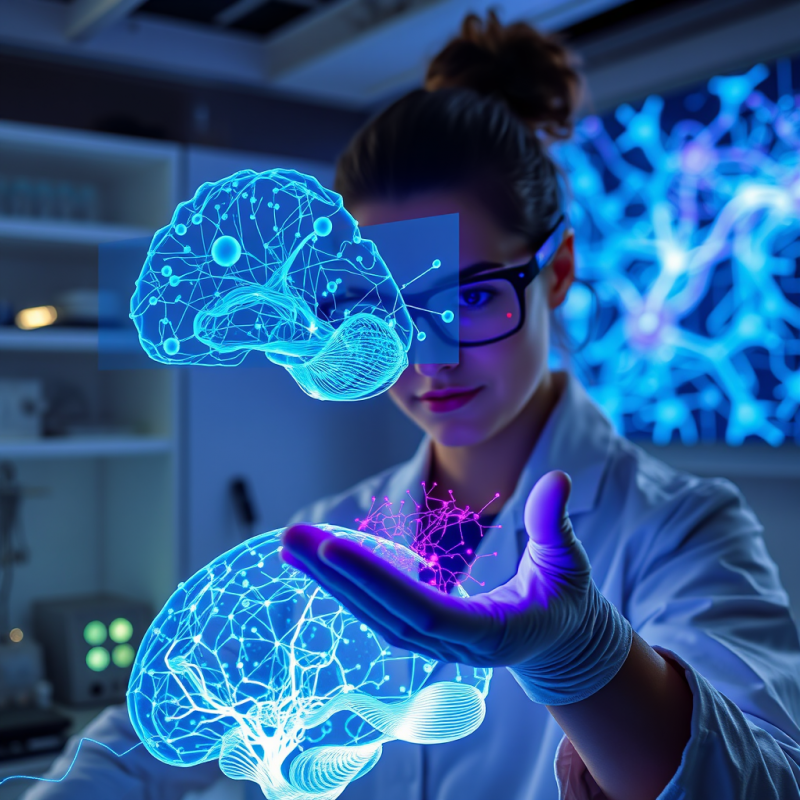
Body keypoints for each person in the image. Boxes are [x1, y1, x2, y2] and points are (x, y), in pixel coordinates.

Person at [25, 12, 800, 800]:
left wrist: (587, 660)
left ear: (559, 269)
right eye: (381, 308)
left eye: (471, 296)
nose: (431, 357)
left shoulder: (681, 529)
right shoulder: (336, 530)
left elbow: (768, 783)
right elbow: (133, 754)